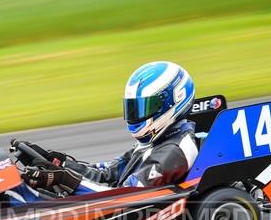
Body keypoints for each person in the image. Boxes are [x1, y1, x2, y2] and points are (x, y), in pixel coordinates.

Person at [13, 61, 199, 203]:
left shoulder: (174, 151)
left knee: (21, 200)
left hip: (128, 216)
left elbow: (126, 196)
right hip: (114, 207)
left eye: (144, 107)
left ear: (175, 101)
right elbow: (108, 173)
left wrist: (65, 179)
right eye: (134, 107)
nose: (136, 115)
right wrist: (60, 164)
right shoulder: (157, 140)